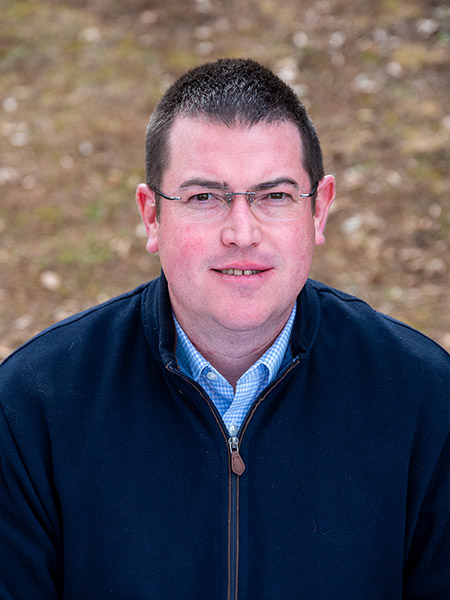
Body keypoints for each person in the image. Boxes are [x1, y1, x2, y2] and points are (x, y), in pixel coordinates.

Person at [0, 58, 449, 600]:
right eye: (204, 197)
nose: (241, 232)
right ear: (151, 215)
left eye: (275, 196)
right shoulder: (32, 407)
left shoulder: (425, 398)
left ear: (319, 211)